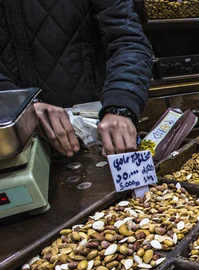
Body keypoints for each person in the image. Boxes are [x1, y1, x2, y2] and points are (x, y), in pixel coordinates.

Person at [0, 0, 153, 156]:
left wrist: (121, 103)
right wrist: (20, 104)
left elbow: (128, 41)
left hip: (97, 133)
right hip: (14, 144)